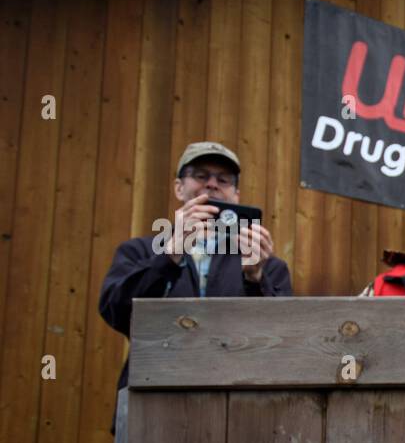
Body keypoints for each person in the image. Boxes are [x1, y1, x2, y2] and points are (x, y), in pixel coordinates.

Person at [99, 140, 292, 398]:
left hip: (236, 401)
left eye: (224, 179)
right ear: (179, 188)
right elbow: (117, 311)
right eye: (201, 176)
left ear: (236, 195)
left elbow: (281, 338)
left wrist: (255, 279)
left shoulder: (267, 264)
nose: (212, 184)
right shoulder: (140, 251)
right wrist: (169, 255)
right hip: (151, 397)